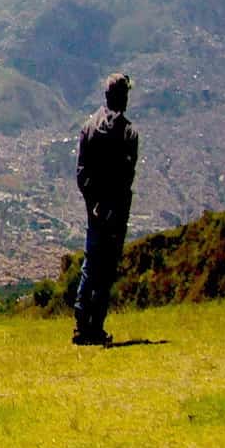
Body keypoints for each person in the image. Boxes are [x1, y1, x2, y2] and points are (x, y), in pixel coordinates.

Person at [73, 72, 141, 346]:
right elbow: (126, 176)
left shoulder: (88, 127)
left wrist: (95, 204)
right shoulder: (128, 133)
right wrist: (111, 206)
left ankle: (81, 325)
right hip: (115, 211)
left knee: (91, 263)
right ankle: (95, 325)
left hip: (95, 210)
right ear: (123, 97)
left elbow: (82, 173)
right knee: (107, 268)